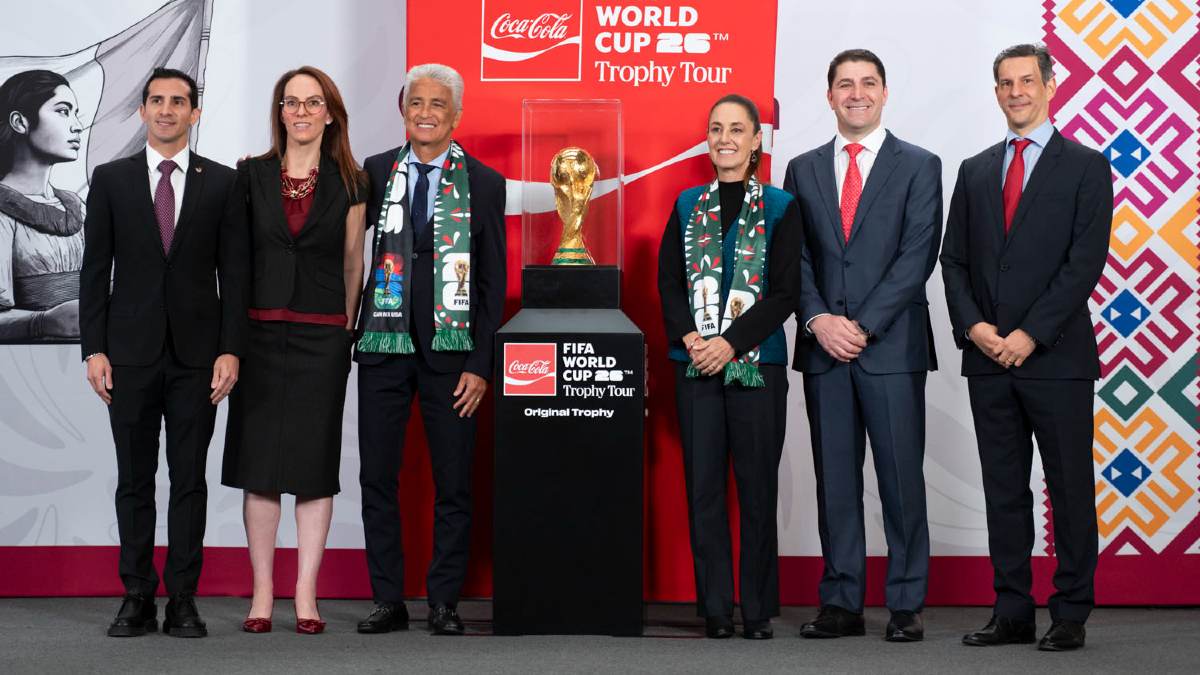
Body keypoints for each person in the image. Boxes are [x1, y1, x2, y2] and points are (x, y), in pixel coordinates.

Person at [941, 43, 1112, 652]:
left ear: (1049, 86)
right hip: (987, 360)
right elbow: (953, 260)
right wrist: (976, 329)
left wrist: (1029, 334)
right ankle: (1011, 609)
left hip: (1057, 357)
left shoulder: (1086, 166)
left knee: (1068, 487)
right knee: (1003, 488)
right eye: (1006, 83)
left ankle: (1070, 610)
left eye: (1027, 81)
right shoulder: (976, 169)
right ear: (996, 92)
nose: (1016, 92)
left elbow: (1082, 264)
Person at [79, 67, 248, 638]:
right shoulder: (111, 179)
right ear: (143, 110)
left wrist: (231, 350)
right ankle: (135, 595)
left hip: (199, 358)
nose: (168, 109)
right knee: (133, 479)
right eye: (157, 100)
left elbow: (236, 276)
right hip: (127, 355)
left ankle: (182, 598)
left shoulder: (222, 183)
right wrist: (93, 348)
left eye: (179, 101)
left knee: (189, 480)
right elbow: (94, 270)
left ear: (195, 113)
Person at [782, 49, 942, 642]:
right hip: (824, 348)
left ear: (884, 92)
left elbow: (917, 255)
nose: (856, 93)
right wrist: (820, 318)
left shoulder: (920, 165)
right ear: (829, 96)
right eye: (844, 84)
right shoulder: (801, 168)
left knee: (901, 478)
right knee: (836, 479)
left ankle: (905, 603)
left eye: (867, 83)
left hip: (892, 349)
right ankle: (842, 600)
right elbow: (792, 257)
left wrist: (863, 325)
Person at [353, 63, 506, 636]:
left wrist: (481, 364)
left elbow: (492, 282)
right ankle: (388, 599)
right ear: (402, 109)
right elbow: (335, 241)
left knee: (454, 481)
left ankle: (443, 601)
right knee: (377, 477)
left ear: (456, 115)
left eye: (437, 104)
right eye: (415, 102)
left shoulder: (485, 184)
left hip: (453, 351)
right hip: (382, 344)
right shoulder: (373, 172)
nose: (424, 113)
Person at [220, 66, 366, 636]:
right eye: (291, 102)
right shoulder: (250, 175)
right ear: (279, 112)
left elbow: (354, 262)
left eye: (312, 102)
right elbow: (236, 266)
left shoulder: (353, 181)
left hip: (323, 335)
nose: (301, 112)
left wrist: (345, 328)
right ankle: (263, 590)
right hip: (257, 334)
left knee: (313, 468)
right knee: (260, 468)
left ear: (330, 113)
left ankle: (305, 590)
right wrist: (230, 341)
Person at [657, 94, 802, 640]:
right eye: (716, 128)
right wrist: (693, 336)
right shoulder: (686, 203)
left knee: (757, 488)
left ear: (756, 139)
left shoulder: (783, 206)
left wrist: (731, 342)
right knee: (704, 489)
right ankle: (716, 608)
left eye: (737, 129)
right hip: (694, 364)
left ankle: (758, 609)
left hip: (756, 367)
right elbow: (669, 281)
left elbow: (786, 293)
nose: (725, 138)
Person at [0, 69, 85, 343]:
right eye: (63, 111)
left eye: (75, 113)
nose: (77, 126)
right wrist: (43, 322)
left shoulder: (78, 207)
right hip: (26, 368)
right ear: (19, 122)